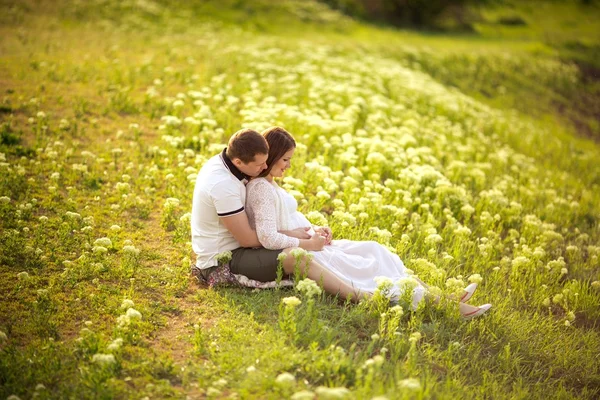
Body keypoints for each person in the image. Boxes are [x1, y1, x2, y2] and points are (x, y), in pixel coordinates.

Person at [245, 126, 492, 319]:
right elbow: (268, 235)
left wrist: (314, 229)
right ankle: (448, 307)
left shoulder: (270, 185)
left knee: (374, 250)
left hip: (306, 241)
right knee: (369, 269)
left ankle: (443, 296)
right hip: (298, 249)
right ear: (274, 155)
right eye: (286, 159)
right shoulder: (260, 189)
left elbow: (284, 222)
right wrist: (309, 241)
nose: (289, 165)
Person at [190, 128, 326, 285]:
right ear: (238, 162)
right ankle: (357, 296)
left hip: (241, 248)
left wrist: (304, 231)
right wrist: (295, 237)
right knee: (298, 258)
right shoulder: (223, 185)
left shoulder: (227, 161)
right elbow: (247, 239)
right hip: (224, 258)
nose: (265, 167)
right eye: (260, 164)